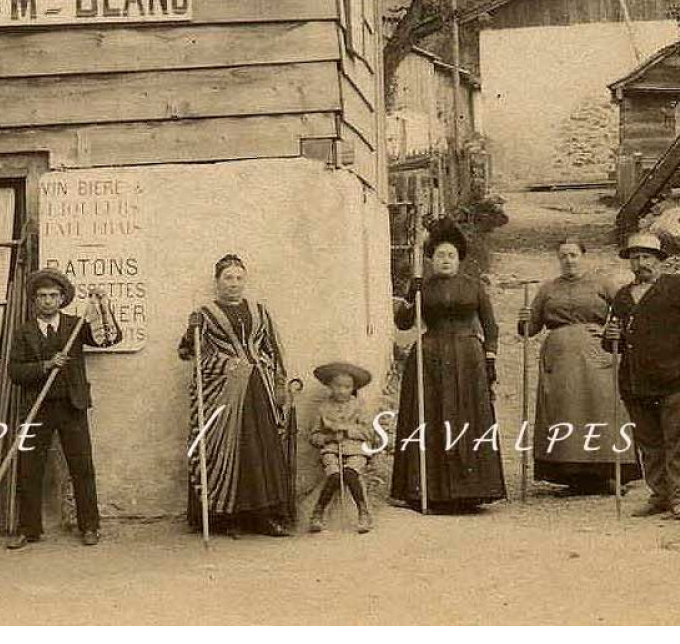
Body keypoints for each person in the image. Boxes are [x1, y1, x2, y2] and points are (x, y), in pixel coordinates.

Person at [603, 232, 680, 520]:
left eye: (646, 257)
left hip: (673, 378)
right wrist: (611, 337)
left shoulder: (675, 287)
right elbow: (611, 342)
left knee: (676, 439)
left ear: (659, 261)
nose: (640, 263)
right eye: (635, 257)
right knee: (648, 442)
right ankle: (659, 495)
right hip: (635, 382)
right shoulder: (622, 296)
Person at [389, 225, 507, 512]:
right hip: (429, 355)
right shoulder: (423, 286)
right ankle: (426, 489)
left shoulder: (473, 286)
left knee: (467, 416)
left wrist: (490, 357)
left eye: (451, 255)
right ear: (432, 259)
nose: (445, 260)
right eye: (440, 255)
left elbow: (490, 327)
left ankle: (472, 489)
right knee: (429, 416)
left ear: (459, 259)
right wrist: (410, 295)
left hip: (468, 357)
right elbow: (404, 323)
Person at [180, 254, 295, 537]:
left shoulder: (259, 310)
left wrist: (279, 381)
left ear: (245, 280)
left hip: (258, 389)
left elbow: (274, 349)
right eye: (227, 278)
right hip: (223, 391)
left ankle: (263, 516)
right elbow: (187, 353)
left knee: (261, 451)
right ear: (217, 282)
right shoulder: (204, 314)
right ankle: (226, 517)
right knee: (225, 451)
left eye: (238, 278)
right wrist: (190, 332)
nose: (233, 284)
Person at [7, 268, 122, 549]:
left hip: (73, 406)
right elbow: (15, 371)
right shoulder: (24, 332)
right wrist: (46, 365)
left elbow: (109, 338)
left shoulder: (75, 325)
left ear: (62, 299)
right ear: (35, 300)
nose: (48, 301)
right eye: (42, 296)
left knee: (82, 468)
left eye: (53, 296)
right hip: (37, 408)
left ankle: (90, 526)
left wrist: (103, 306)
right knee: (30, 469)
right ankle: (29, 529)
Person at [519, 240, 642, 494]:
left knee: (601, 410)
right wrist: (524, 321)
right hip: (560, 360)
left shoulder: (602, 284)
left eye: (573, 255)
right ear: (558, 259)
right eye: (563, 255)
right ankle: (572, 477)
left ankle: (611, 474)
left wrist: (616, 329)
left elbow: (626, 309)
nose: (569, 260)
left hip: (598, 355)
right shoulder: (548, 289)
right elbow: (530, 330)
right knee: (565, 414)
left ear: (583, 256)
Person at [307, 361, 376, 534]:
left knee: (350, 473)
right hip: (331, 449)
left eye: (347, 387)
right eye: (338, 386)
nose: (342, 390)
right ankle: (318, 512)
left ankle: (363, 512)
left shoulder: (359, 406)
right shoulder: (323, 408)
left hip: (356, 449)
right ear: (330, 385)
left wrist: (347, 431)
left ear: (353, 388)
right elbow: (314, 436)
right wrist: (329, 437)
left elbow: (369, 433)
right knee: (334, 474)